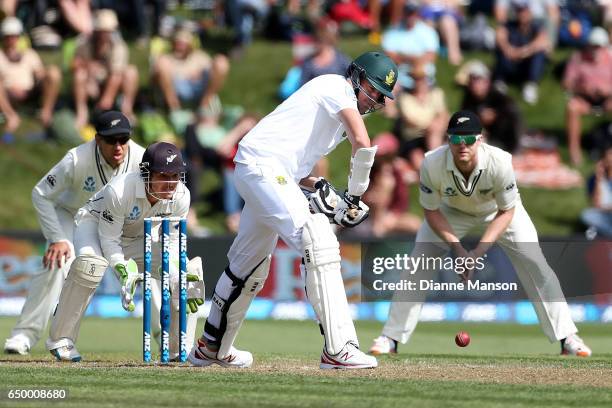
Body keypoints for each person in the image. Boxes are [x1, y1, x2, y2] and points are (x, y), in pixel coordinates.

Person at [188, 51, 398, 369]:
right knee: (319, 240)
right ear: (356, 78)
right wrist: (355, 196)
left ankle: (211, 347)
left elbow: (296, 167)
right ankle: (339, 349)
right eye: (372, 90)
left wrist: (323, 188)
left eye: (380, 97)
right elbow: (363, 141)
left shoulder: (335, 115)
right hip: (263, 167)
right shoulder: (335, 87)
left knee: (248, 264)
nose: (373, 100)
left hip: (267, 169)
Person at [368, 110, 592, 358]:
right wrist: (458, 249)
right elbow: (431, 211)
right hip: (450, 212)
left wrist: (477, 252)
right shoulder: (432, 162)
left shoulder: (500, 162)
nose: (462, 145)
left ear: (480, 139)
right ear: (447, 140)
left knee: (535, 263)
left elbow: (507, 211)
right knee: (418, 264)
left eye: (468, 138)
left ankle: (568, 337)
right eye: (455, 139)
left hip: (499, 211)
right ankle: (391, 337)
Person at [45, 142, 204, 361]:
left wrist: (177, 276)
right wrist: (123, 269)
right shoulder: (119, 190)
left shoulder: (181, 196)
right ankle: (61, 340)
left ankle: (177, 348)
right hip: (95, 225)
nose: (170, 183)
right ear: (146, 174)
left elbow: (174, 241)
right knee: (90, 266)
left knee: (187, 274)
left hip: (141, 236)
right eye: (163, 176)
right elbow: (109, 240)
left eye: (175, 176)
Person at [3, 111, 144, 355]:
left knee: (153, 267)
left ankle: (169, 340)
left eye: (123, 139)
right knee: (57, 263)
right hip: (72, 216)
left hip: (117, 223)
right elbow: (41, 194)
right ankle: (23, 335)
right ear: (97, 139)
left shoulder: (142, 159)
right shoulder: (76, 159)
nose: (118, 146)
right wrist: (57, 238)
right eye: (111, 140)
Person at [72, 9, 139, 128]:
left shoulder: (119, 46)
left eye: (107, 31)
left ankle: (126, 110)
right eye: (102, 31)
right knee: (79, 75)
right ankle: (82, 112)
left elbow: (116, 74)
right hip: (90, 81)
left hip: (111, 81)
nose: (104, 35)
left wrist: (106, 100)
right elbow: (74, 64)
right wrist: (89, 69)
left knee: (131, 72)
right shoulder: (83, 41)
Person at [0, 17, 62, 132]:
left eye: (14, 36)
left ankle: (46, 113)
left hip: (30, 92)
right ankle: (11, 116)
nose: (11, 40)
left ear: (19, 37)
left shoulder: (29, 54)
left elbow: (39, 72)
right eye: (8, 36)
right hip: (8, 94)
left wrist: (44, 75)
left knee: (54, 72)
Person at [563, 27, 612, 166]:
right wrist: (582, 89)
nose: (595, 50)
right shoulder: (578, 58)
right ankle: (574, 152)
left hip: (607, 100)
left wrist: (608, 91)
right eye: (593, 46)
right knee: (572, 107)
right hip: (585, 100)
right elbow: (566, 83)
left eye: (599, 47)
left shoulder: (610, 58)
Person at [151, 28, 230, 114]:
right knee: (162, 64)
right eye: (179, 42)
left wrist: (198, 74)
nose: (181, 46)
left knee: (221, 61)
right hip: (177, 88)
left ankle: (204, 105)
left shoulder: (200, 56)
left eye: (184, 43)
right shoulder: (166, 58)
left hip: (200, 88)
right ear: (173, 43)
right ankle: (175, 110)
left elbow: (213, 72)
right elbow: (154, 78)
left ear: (191, 45)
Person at [493, 0, 549, 104]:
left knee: (540, 52)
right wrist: (508, 49)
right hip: (510, 62)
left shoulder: (537, 27)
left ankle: (531, 85)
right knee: (499, 49)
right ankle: (500, 82)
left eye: (525, 11)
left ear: (530, 12)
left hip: (527, 65)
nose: (522, 14)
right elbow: (500, 37)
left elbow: (543, 42)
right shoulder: (508, 26)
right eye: (520, 11)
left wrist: (523, 52)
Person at [461, 61, 522, 153]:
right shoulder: (468, 98)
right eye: (472, 80)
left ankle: (514, 149)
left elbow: (511, 111)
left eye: (478, 80)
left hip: (501, 136)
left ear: (487, 82)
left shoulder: (497, 95)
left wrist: (495, 115)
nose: (474, 84)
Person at [382, 1, 439, 90]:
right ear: (403, 13)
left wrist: (405, 58)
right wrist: (412, 59)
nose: (411, 16)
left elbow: (431, 56)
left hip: (420, 71)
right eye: (408, 13)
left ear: (418, 14)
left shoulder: (428, 31)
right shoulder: (392, 31)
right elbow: (388, 56)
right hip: (399, 72)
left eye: (413, 13)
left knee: (423, 71)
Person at [581, 144, 612, 238]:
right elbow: (596, 204)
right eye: (610, 154)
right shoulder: (594, 179)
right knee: (587, 215)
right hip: (605, 214)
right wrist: (599, 179)